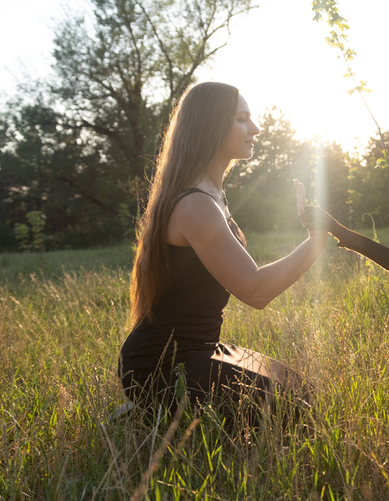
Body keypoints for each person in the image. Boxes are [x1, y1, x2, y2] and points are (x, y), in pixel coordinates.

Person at [117, 82, 329, 429]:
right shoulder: (196, 204)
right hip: (163, 364)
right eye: (242, 119)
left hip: (202, 350)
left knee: (302, 391)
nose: (255, 129)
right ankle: (149, 406)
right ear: (211, 125)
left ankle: (152, 411)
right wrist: (316, 240)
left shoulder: (211, 194)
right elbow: (255, 290)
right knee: (296, 414)